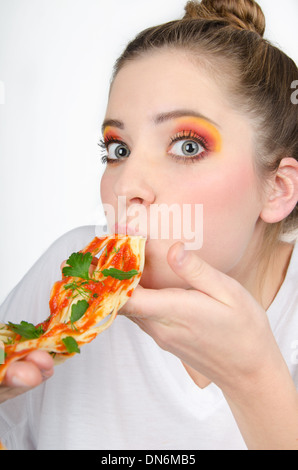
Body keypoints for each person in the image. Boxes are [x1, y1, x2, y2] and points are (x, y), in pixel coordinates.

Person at [0, 0, 297, 450]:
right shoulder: (69, 279)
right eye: (118, 150)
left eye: (188, 147)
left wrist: (255, 378)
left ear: (277, 189)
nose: (128, 185)